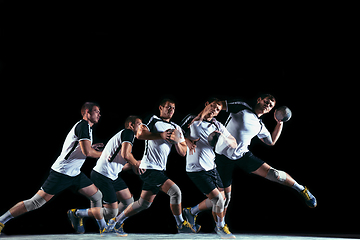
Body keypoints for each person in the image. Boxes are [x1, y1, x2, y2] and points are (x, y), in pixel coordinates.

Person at [193, 94, 317, 232]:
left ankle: (302, 189)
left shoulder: (260, 126)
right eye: (266, 101)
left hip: (243, 156)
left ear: (271, 111)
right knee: (224, 199)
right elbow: (217, 104)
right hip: (222, 158)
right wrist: (200, 118)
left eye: (270, 105)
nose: (267, 104)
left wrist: (279, 123)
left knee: (275, 174)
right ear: (259, 100)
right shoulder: (242, 107)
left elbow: (272, 141)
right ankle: (214, 223)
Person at [0, 102, 106, 235]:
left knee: (97, 195)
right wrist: (105, 154)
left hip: (75, 173)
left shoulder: (87, 128)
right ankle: (1, 221)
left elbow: (83, 149)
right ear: (87, 112)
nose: (99, 114)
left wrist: (91, 147)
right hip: (61, 173)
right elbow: (87, 153)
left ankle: (101, 227)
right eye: (96, 111)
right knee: (36, 202)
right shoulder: (83, 126)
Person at [107, 99, 194, 234]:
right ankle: (181, 224)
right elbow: (140, 134)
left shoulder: (176, 127)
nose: (171, 110)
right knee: (175, 192)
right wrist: (162, 135)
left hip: (160, 170)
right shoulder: (153, 120)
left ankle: (115, 223)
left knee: (143, 204)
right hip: (149, 168)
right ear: (160, 107)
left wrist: (177, 141)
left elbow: (183, 152)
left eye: (173, 108)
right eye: (168, 107)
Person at [67, 115, 144, 236]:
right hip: (101, 175)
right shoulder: (128, 133)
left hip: (112, 175)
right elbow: (126, 155)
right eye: (139, 124)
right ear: (131, 125)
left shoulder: (127, 138)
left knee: (128, 202)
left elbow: (121, 166)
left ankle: (110, 227)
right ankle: (77, 213)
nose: (142, 127)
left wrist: (136, 164)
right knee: (110, 212)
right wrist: (136, 163)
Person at [180, 99, 237, 239]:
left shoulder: (217, 125)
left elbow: (234, 143)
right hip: (196, 168)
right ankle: (220, 227)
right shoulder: (191, 119)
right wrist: (187, 141)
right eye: (213, 106)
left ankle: (191, 212)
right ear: (206, 104)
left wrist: (223, 137)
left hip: (211, 166)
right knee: (218, 199)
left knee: (221, 199)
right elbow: (177, 132)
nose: (214, 110)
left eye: (218, 109)